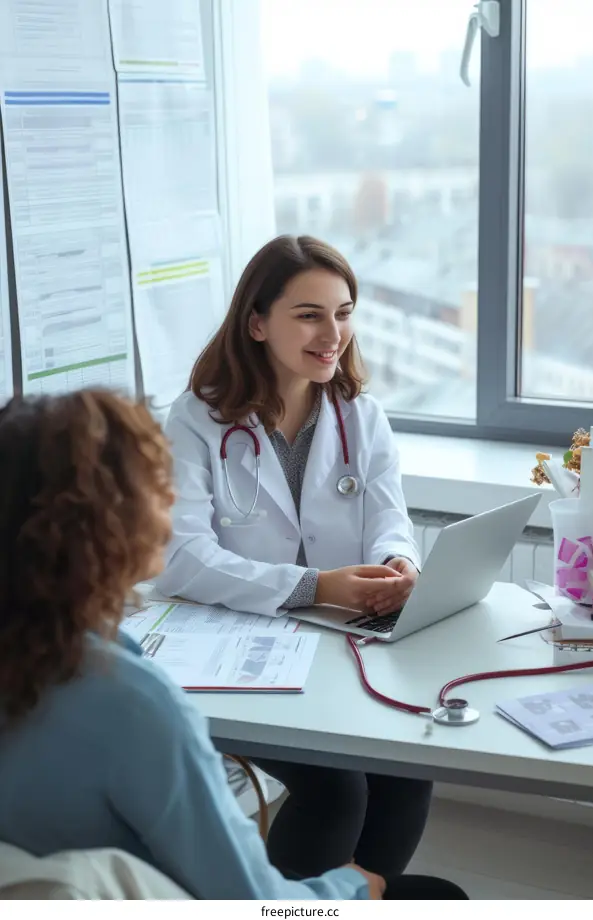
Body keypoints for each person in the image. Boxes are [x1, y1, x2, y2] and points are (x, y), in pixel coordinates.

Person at [0, 389, 466, 901]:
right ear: (107, 526)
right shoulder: (132, 705)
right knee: (434, 896)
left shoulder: (58, 671)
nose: (173, 500)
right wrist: (354, 887)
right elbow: (256, 903)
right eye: (155, 486)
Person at [155, 235, 433, 883]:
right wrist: (316, 586)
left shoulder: (358, 415)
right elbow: (182, 560)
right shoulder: (195, 422)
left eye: (343, 312)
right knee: (338, 788)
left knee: (408, 769)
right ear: (258, 322)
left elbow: (392, 518)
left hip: (337, 647)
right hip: (233, 652)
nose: (332, 332)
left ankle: (365, 897)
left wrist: (398, 563)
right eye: (309, 314)